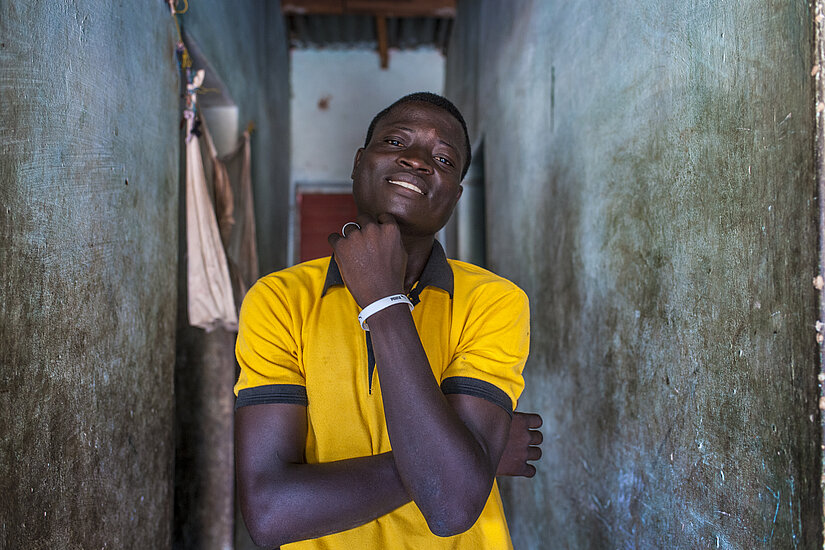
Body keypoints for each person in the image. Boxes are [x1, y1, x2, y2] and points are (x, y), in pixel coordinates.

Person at [233, 92, 542, 549]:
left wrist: (384, 302)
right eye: (397, 142)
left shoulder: (493, 302)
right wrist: (462, 465)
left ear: (454, 196)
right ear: (359, 164)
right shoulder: (280, 300)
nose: (417, 160)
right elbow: (270, 513)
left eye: (443, 157)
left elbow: (452, 509)